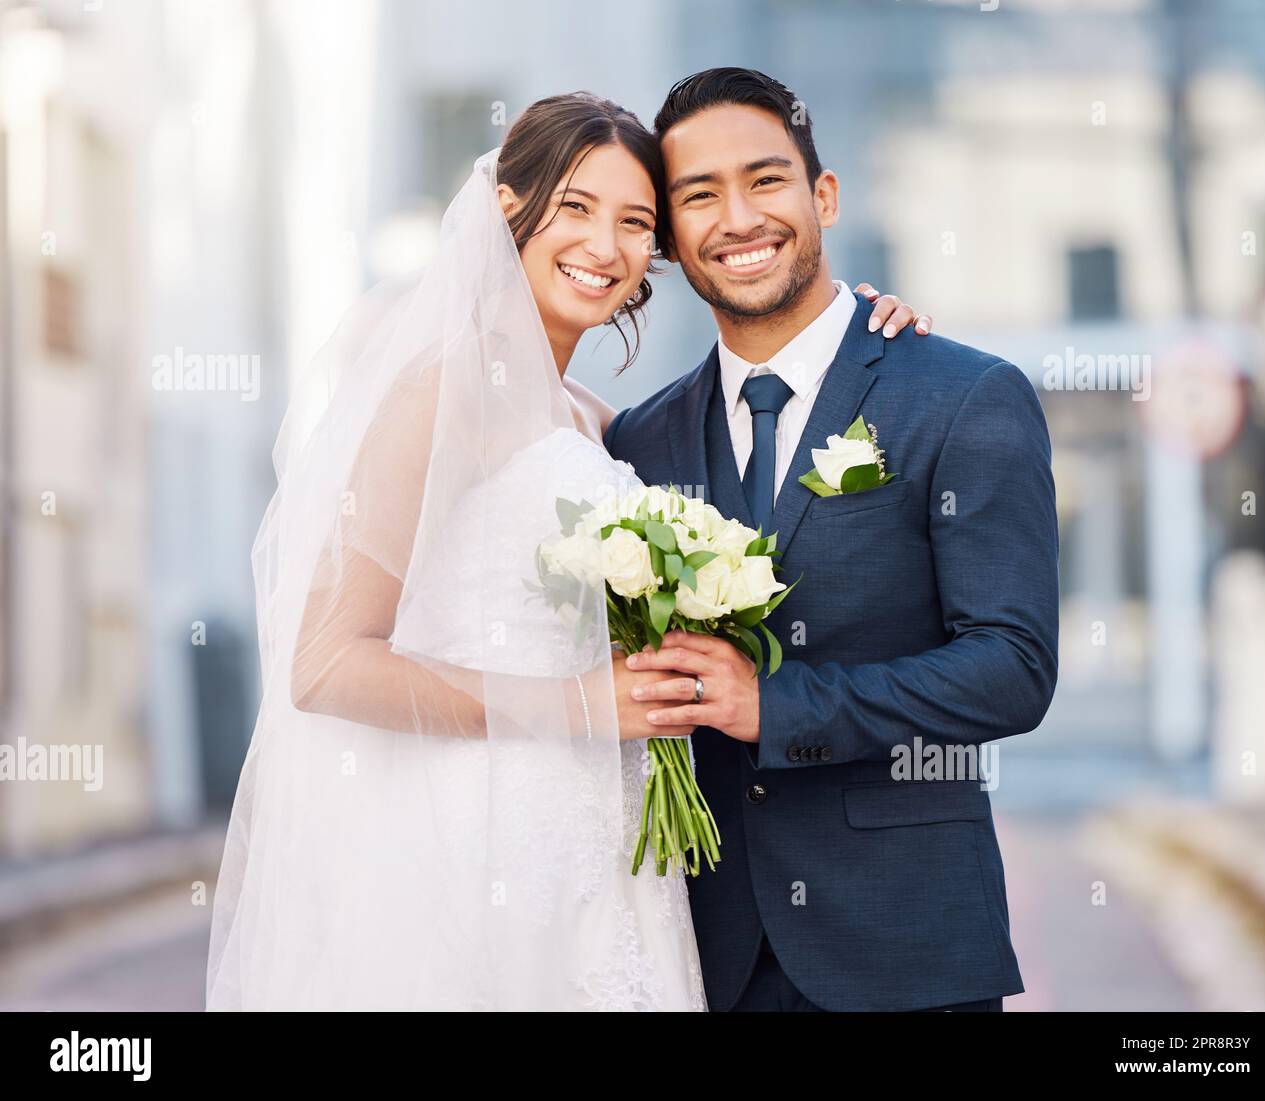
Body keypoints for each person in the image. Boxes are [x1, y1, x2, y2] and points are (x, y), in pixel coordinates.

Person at [205, 89, 927, 1011]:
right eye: (576, 208)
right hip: (475, 834)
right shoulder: (442, 391)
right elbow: (323, 663)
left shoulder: (596, 421)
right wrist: (575, 706)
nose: (605, 246)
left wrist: (858, 330)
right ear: (509, 209)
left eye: (635, 223)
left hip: (605, 844)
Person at [604, 68, 1059, 1012]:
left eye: (766, 180)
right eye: (698, 195)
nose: (738, 217)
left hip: (906, 947)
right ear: (670, 239)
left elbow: (1012, 666)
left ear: (824, 196)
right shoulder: (634, 443)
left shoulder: (961, 397)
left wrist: (780, 704)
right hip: (696, 955)